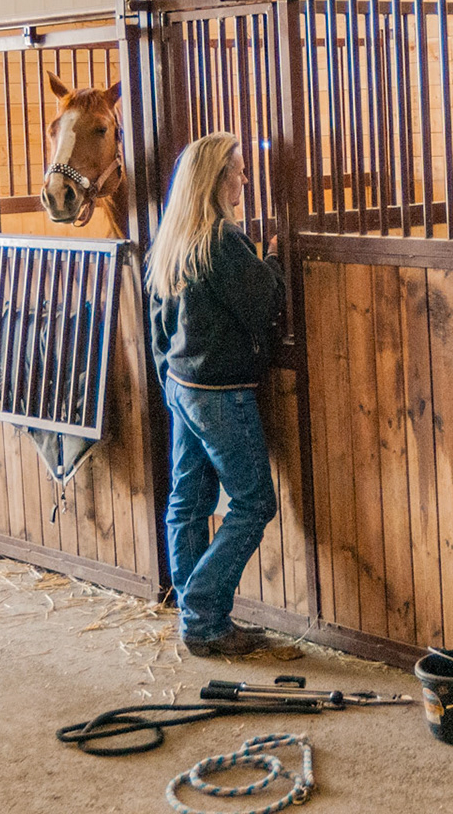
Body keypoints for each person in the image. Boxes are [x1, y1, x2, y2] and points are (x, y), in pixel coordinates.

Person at [146, 132, 283, 657]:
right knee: (254, 502)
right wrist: (270, 260)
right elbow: (262, 305)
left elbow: (159, 324)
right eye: (238, 170)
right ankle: (203, 610)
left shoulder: (175, 239)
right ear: (214, 178)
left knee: (188, 500)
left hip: (181, 385)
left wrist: (169, 379)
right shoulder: (222, 242)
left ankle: (193, 613)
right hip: (221, 391)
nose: (245, 179)